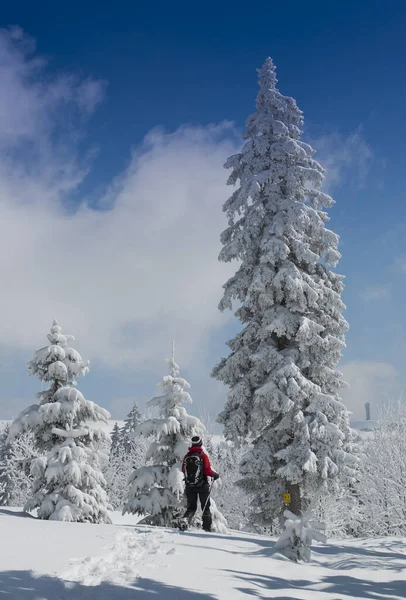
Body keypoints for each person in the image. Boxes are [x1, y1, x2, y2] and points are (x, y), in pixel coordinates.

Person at [181, 435, 220, 532]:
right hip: (202, 485)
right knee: (205, 507)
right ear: (200, 443)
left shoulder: (187, 456)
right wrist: (214, 475)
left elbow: (183, 469)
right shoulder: (203, 456)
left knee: (191, 507)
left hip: (189, 486)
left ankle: (185, 521)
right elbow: (207, 470)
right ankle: (207, 528)